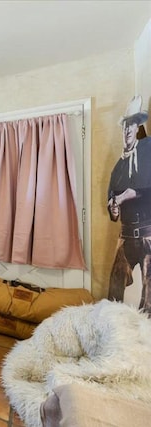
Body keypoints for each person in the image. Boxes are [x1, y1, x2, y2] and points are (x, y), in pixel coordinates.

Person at [107, 95, 151, 314]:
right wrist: (113, 208)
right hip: (125, 236)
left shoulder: (148, 150)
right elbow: (111, 202)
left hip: (147, 235)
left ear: (137, 128)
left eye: (131, 126)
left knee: (149, 295)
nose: (127, 131)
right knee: (114, 291)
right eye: (124, 126)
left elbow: (145, 188)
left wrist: (124, 197)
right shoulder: (118, 167)